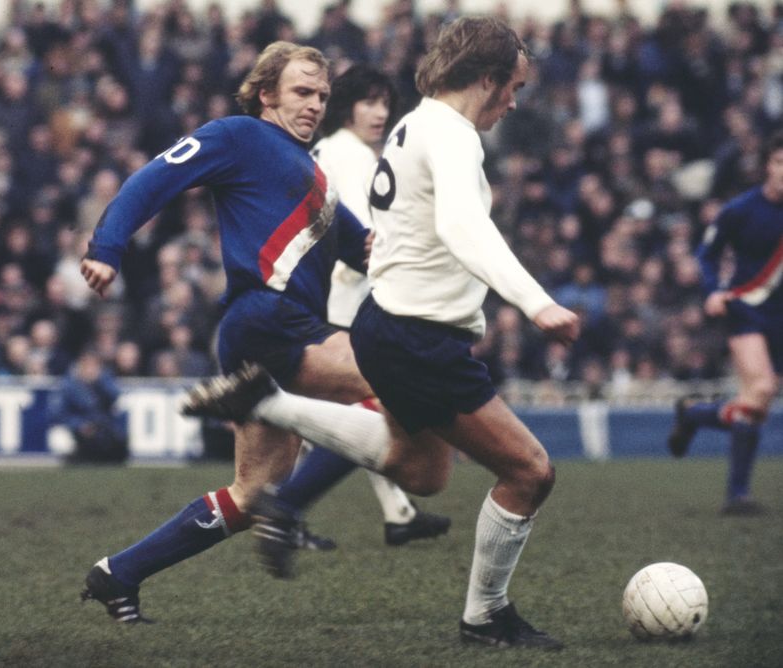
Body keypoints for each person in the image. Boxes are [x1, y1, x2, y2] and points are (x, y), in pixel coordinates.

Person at [184, 17, 579, 649]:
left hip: (385, 326)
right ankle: (486, 616)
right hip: (420, 338)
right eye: (514, 87)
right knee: (530, 472)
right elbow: (460, 226)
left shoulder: (413, 122)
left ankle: (271, 402)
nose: (514, 101)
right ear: (486, 78)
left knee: (421, 470)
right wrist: (535, 302)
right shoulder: (452, 136)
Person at [78, 41, 376, 624]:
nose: (315, 104)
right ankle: (289, 509)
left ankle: (119, 573)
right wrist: (107, 247)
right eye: (301, 92)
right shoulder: (239, 135)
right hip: (268, 320)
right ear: (266, 94)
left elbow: (365, 250)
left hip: (279, 330)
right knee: (397, 387)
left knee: (249, 494)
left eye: (321, 95)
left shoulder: (316, 175)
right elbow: (150, 180)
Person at [277, 64, 450, 551]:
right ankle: (286, 505)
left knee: (363, 413)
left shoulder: (338, 152)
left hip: (329, 299)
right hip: (341, 302)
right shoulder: (345, 155)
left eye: (384, 104)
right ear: (347, 104)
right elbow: (362, 235)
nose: (378, 113)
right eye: (368, 102)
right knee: (377, 412)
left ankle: (395, 513)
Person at [667, 130, 783, 515]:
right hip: (745, 308)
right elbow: (707, 254)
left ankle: (695, 414)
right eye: (780, 162)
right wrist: (714, 290)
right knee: (763, 387)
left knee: (755, 405)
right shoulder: (741, 209)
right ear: (768, 165)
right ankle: (736, 496)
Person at [52, 350, 129, 464]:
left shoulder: (104, 379)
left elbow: (114, 396)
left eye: (94, 366)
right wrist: (79, 425)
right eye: (87, 365)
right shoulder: (69, 385)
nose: (90, 370)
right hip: (79, 430)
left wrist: (99, 382)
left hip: (102, 428)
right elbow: (58, 413)